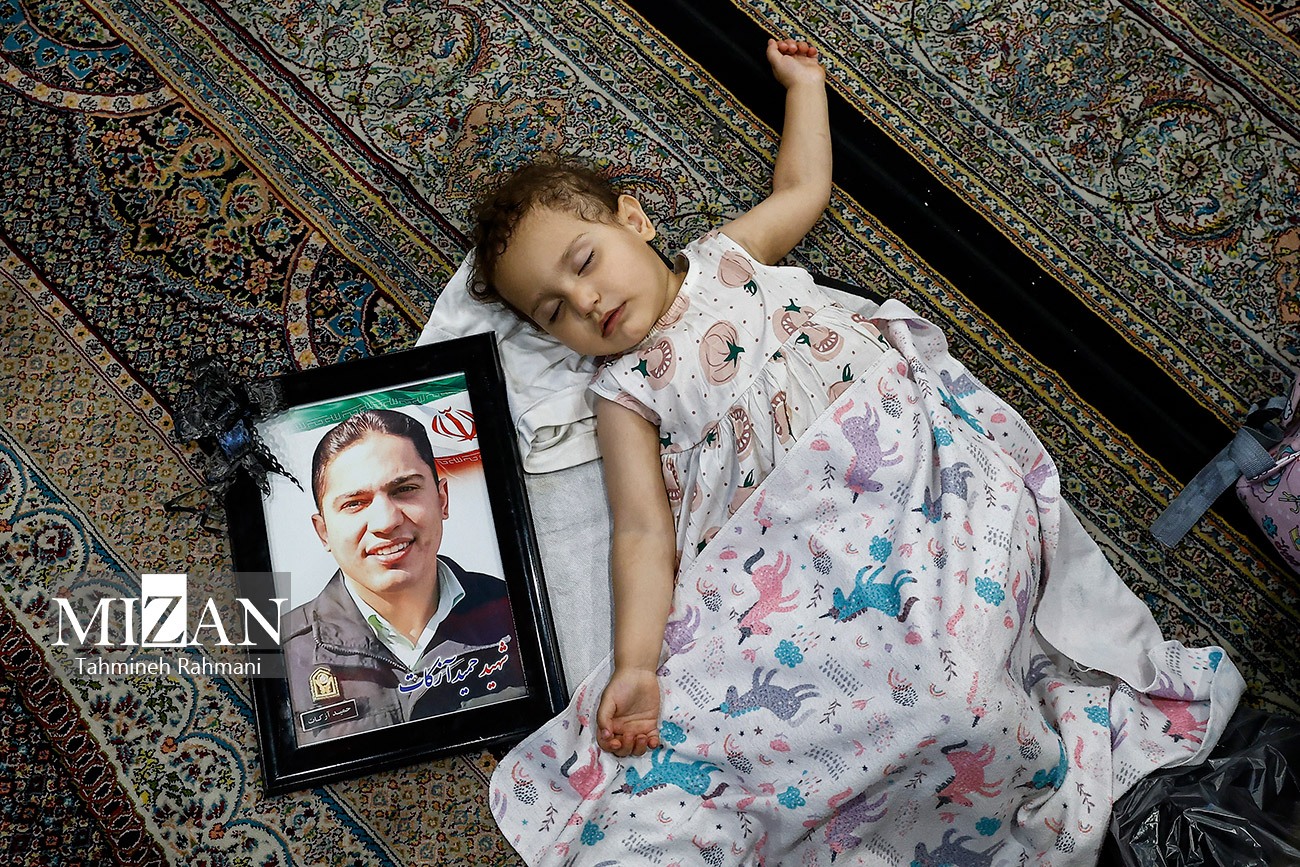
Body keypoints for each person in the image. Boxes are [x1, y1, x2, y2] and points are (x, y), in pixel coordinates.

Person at [468, 38, 852, 757]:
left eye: (585, 262)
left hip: (868, 440)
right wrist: (637, 664)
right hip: (787, 526)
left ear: (635, 221)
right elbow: (642, 531)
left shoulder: (725, 257)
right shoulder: (620, 395)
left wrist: (804, 86)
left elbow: (802, 191)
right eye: (555, 311)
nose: (586, 300)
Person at [281, 409, 524, 742]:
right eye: (355, 503)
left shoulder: (521, 611)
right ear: (323, 532)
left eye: (405, 489)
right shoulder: (276, 658)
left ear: (442, 500)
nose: (386, 521)